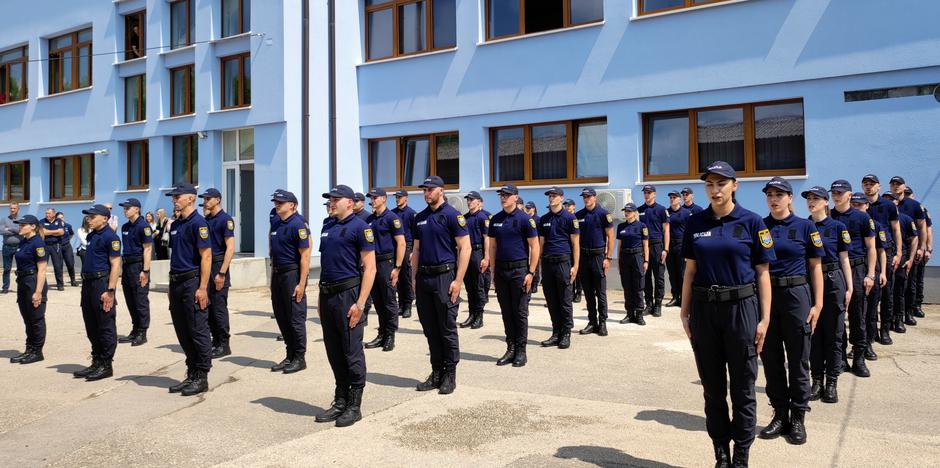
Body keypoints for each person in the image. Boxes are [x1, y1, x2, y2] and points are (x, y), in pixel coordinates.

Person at [679, 161, 775, 467]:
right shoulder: (696, 222)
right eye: (709, 184)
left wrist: (765, 318)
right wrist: (684, 311)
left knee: (743, 388)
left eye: (721, 183)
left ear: (735, 185)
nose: (715, 190)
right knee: (713, 388)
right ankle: (720, 452)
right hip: (705, 310)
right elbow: (690, 270)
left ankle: (741, 455)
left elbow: (763, 273)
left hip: (741, 309)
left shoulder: (752, 222)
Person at [757, 177, 823, 446]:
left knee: (798, 360)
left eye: (779, 194)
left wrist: (818, 304)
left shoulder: (806, 226)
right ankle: (780, 414)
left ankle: (798, 417)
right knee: (771, 359)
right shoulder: (760, 226)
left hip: (797, 296)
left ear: (790, 198)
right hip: (768, 297)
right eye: (770, 195)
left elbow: (816, 266)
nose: (774, 199)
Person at [314, 185, 376, 427]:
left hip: (348, 295)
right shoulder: (327, 226)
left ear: (349, 203)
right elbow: (325, 266)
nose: (332, 202)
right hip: (327, 295)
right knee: (334, 351)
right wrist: (320, 298)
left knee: (351, 351)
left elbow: (370, 268)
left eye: (336, 199)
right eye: (330, 199)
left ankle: (354, 405)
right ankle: (340, 400)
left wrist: (360, 304)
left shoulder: (361, 227)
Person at [411, 176, 470, 394]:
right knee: (430, 329)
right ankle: (436, 372)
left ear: (441, 191)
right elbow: (416, 250)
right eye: (424, 190)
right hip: (424, 279)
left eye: (430, 189)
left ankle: (449, 375)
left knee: (446, 328)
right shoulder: (420, 218)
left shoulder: (453, 216)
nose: (426, 193)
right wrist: (414, 279)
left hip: (444, 277)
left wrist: (458, 281)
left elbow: (465, 248)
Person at [164, 183, 213, 396]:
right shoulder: (176, 224)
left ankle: (201, 375)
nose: (174, 200)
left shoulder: (199, 223)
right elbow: (176, 256)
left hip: (192, 282)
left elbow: (206, 256)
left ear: (191, 198)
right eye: (173, 197)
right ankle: (192, 371)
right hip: (176, 282)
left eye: (178, 196)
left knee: (197, 329)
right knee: (182, 330)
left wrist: (203, 287)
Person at [804, 186, 852, 405]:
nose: (811, 202)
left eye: (816, 198)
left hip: (833, 280)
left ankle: (832, 382)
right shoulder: (804, 226)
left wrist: (849, 288)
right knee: (813, 334)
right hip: (810, 281)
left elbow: (844, 259)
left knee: (834, 334)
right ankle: (817, 381)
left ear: (826, 202)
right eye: (809, 198)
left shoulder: (838, 227)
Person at [489, 184, 540, 366]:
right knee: (506, 311)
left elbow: (535, 246)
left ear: (516, 197)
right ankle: (510, 348)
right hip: (501, 271)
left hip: (519, 271)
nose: (503, 197)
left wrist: (531, 272)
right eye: (501, 195)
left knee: (519, 312)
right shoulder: (495, 219)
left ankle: (521, 350)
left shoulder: (525, 219)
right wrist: (493, 272)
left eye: (507, 195)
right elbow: (492, 247)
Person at [829, 180, 876, 377]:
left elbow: (871, 247)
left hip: (857, 269)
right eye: (834, 193)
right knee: (837, 316)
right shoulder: (827, 216)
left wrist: (870, 274)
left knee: (857, 315)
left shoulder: (862, 217)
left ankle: (859, 358)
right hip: (834, 271)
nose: (836, 196)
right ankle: (840, 358)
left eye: (840, 193)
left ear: (849, 195)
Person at [72, 204, 122, 382]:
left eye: (93, 216)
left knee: (105, 325)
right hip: (88, 283)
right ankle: (97, 360)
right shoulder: (92, 235)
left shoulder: (111, 237)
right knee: (91, 324)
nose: (89, 219)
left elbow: (115, 265)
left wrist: (110, 290)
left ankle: (106, 364)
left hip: (101, 283)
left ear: (105, 218)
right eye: (88, 216)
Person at [268, 190, 312, 374]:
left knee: (295, 317)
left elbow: (305, 256)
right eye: (276, 202)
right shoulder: (276, 222)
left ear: (292, 205)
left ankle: (299, 357)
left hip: (292, 274)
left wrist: (301, 283)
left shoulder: (298, 224)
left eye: (281, 202)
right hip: (277, 274)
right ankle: (290, 354)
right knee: (281, 315)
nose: (277, 205)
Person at [364, 188, 405, 352]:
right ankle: (381, 333)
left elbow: (401, 243)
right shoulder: (369, 219)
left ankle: (390, 335)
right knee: (378, 301)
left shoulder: (392, 218)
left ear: (383, 199)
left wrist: (397, 267)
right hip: (372, 264)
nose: (372, 200)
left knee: (389, 300)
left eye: (375, 197)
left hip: (387, 263)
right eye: (371, 198)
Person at [538, 187, 579, 348]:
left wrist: (575, 266)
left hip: (563, 262)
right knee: (551, 300)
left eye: (554, 195)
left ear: (561, 198)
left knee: (565, 300)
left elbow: (575, 244)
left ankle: (566, 333)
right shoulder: (544, 219)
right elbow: (541, 243)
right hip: (548, 263)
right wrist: (539, 264)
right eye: (550, 196)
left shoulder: (570, 218)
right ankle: (556, 332)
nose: (551, 198)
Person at [200, 188, 236, 358]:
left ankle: (223, 343)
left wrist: (222, 273)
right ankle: (215, 341)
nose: (205, 201)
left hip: (218, 265)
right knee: (208, 307)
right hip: (206, 265)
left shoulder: (225, 219)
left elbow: (230, 248)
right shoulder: (205, 220)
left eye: (208, 199)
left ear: (218, 200)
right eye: (204, 199)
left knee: (218, 307)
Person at [850, 194, 888, 355]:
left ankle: (868, 343)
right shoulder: (847, 221)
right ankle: (857, 345)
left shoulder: (875, 225)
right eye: (854, 204)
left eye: (860, 204)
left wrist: (882, 272)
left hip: (871, 269)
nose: (856, 207)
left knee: (870, 310)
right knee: (858, 311)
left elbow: (881, 251)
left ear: (867, 206)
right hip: (855, 269)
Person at [9, 215, 48, 364]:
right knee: (27, 317)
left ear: (33, 226)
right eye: (19, 225)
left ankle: (37, 351)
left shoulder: (38, 243)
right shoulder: (23, 241)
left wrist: (38, 292)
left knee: (36, 318)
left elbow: (42, 269)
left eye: (23, 225)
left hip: (33, 281)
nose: (20, 227)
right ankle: (29, 349)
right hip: (22, 281)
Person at [576, 188, 615, 336]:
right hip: (584, 257)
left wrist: (608, 258)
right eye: (584, 197)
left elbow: (611, 237)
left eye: (588, 196)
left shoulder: (603, 214)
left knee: (600, 292)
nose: (586, 199)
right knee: (588, 292)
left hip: (598, 256)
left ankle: (602, 322)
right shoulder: (579, 215)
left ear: (594, 198)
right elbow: (576, 239)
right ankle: (592, 322)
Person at [117, 198, 153, 347]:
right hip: (127, 265)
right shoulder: (125, 226)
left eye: (128, 208)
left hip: (138, 266)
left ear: (137, 209)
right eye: (124, 208)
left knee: (140, 299)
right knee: (130, 299)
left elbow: (148, 249)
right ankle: (135, 328)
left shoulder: (143, 226)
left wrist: (145, 270)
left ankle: (142, 332)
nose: (125, 210)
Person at [892, 180, 928, 321]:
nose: (895, 186)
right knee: (895, 285)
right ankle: (894, 316)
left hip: (909, 248)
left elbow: (923, 227)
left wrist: (922, 247)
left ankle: (909, 312)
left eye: (898, 184)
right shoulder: (887, 203)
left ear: (904, 186)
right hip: (892, 249)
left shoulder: (914, 205)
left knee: (910, 282)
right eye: (893, 184)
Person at [887, 192, 919, 333]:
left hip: (902, 256)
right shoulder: (881, 218)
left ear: (896, 203)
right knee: (887, 293)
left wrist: (910, 259)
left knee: (899, 289)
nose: (889, 202)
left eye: (891, 200)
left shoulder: (905, 219)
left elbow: (914, 238)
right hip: (886, 256)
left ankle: (899, 319)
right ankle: (887, 321)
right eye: (885, 200)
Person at [459, 191, 490, 330]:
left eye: (472, 200)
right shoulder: (464, 218)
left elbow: (487, 239)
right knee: (469, 286)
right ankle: (471, 315)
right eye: (468, 200)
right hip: (467, 253)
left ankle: (479, 316)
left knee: (478, 286)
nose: (469, 202)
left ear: (478, 202)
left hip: (478, 252)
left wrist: (486, 257)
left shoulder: (482, 217)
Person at [638, 185, 670, 318]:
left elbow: (666, 230)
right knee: (645, 277)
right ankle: (649, 304)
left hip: (657, 246)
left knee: (659, 277)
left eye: (649, 192)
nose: (646, 195)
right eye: (645, 192)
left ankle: (658, 305)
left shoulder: (661, 210)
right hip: (643, 247)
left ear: (654, 194)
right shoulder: (639, 210)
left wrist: (665, 249)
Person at [615, 203, 648, 326]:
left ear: (634, 213)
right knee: (627, 287)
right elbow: (619, 246)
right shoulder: (621, 226)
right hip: (625, 257)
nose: (626, 213)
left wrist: (646, 261)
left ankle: (639, 314)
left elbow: (645, 245)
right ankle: (629, 314)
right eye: (625, 211)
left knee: (638, 286)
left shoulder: (642, 226)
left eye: (629, 211)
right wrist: (618, 262)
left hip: (637, 257)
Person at [392, 190, 417, 318]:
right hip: (395, 248)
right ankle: (401, 305)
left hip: (407, 246)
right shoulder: (392, 213)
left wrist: (412, 251)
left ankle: (408, 305)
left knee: (406, 277)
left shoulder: (411, 213)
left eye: (400, 197)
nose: (397, 199)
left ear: (406, 198)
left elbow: (415, 233)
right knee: (398, 278)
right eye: (396, 197)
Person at [666, 191, 691, 307]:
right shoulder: (666, 212)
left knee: (681, 273)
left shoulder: (686, 213)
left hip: (681, 244)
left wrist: (688, 250)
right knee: (672, 273)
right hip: (670, 245)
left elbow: (689, 232)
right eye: (670, 197)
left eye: (674, 197)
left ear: (679, 200)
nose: (672, 199)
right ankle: (675, 297)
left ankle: (683, 297)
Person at [40, 208, 66, 291]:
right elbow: (42, 232)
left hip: (56, 245)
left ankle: (60, 284)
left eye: (49, 213)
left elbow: (61, 232)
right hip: (45, 245)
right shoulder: (42, 221)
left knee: (58, 266)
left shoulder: (59, 221)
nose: (47, 215)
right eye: (46, 213)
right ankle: (42, 284)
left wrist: (48, 231)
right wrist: (56, 231)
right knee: (42, 266)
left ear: (54, 214)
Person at [565, 199, 583, 303]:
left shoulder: (577, 217)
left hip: (577, 248)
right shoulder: (565, 218)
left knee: (578, 271)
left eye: (569, 205)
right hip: (567, 248)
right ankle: (570, 293)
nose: (567, 207)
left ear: (574, 206)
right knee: (569, 271)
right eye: (566, 205)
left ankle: (579, 292)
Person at [1, 202, 21, 294]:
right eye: (11, 208)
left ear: (18, 209)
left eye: (14, 208)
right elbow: (1, 231)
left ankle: (21, 287)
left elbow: (21, 231)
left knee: (21, 268)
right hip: (7, 247)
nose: (12, 210)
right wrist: (15, 230)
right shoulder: (4, 219)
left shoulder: (22, 220)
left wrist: (9, 228)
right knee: (6, 268)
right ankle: (5, 287)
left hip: (19, 247)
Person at [57, 212, 79, 287]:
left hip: (67, 246)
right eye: (59, 218)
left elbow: (71, 234)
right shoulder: (54, 227)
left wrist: (67, 240)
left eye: (62, 217)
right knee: (59, 265)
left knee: (70, 263)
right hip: (58, 246)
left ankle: (73, 280)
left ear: (63, 218)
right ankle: (60, 283)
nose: (60, 219)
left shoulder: (68, 226)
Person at [524, 201, 541, 294]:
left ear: (533, 209)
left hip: (535, 243)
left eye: (529, 208)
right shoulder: (525, 219)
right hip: (527, 244)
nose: (527, 209)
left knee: (535, 264)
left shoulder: (538, 220)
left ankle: (535, 283)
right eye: (526, 208)